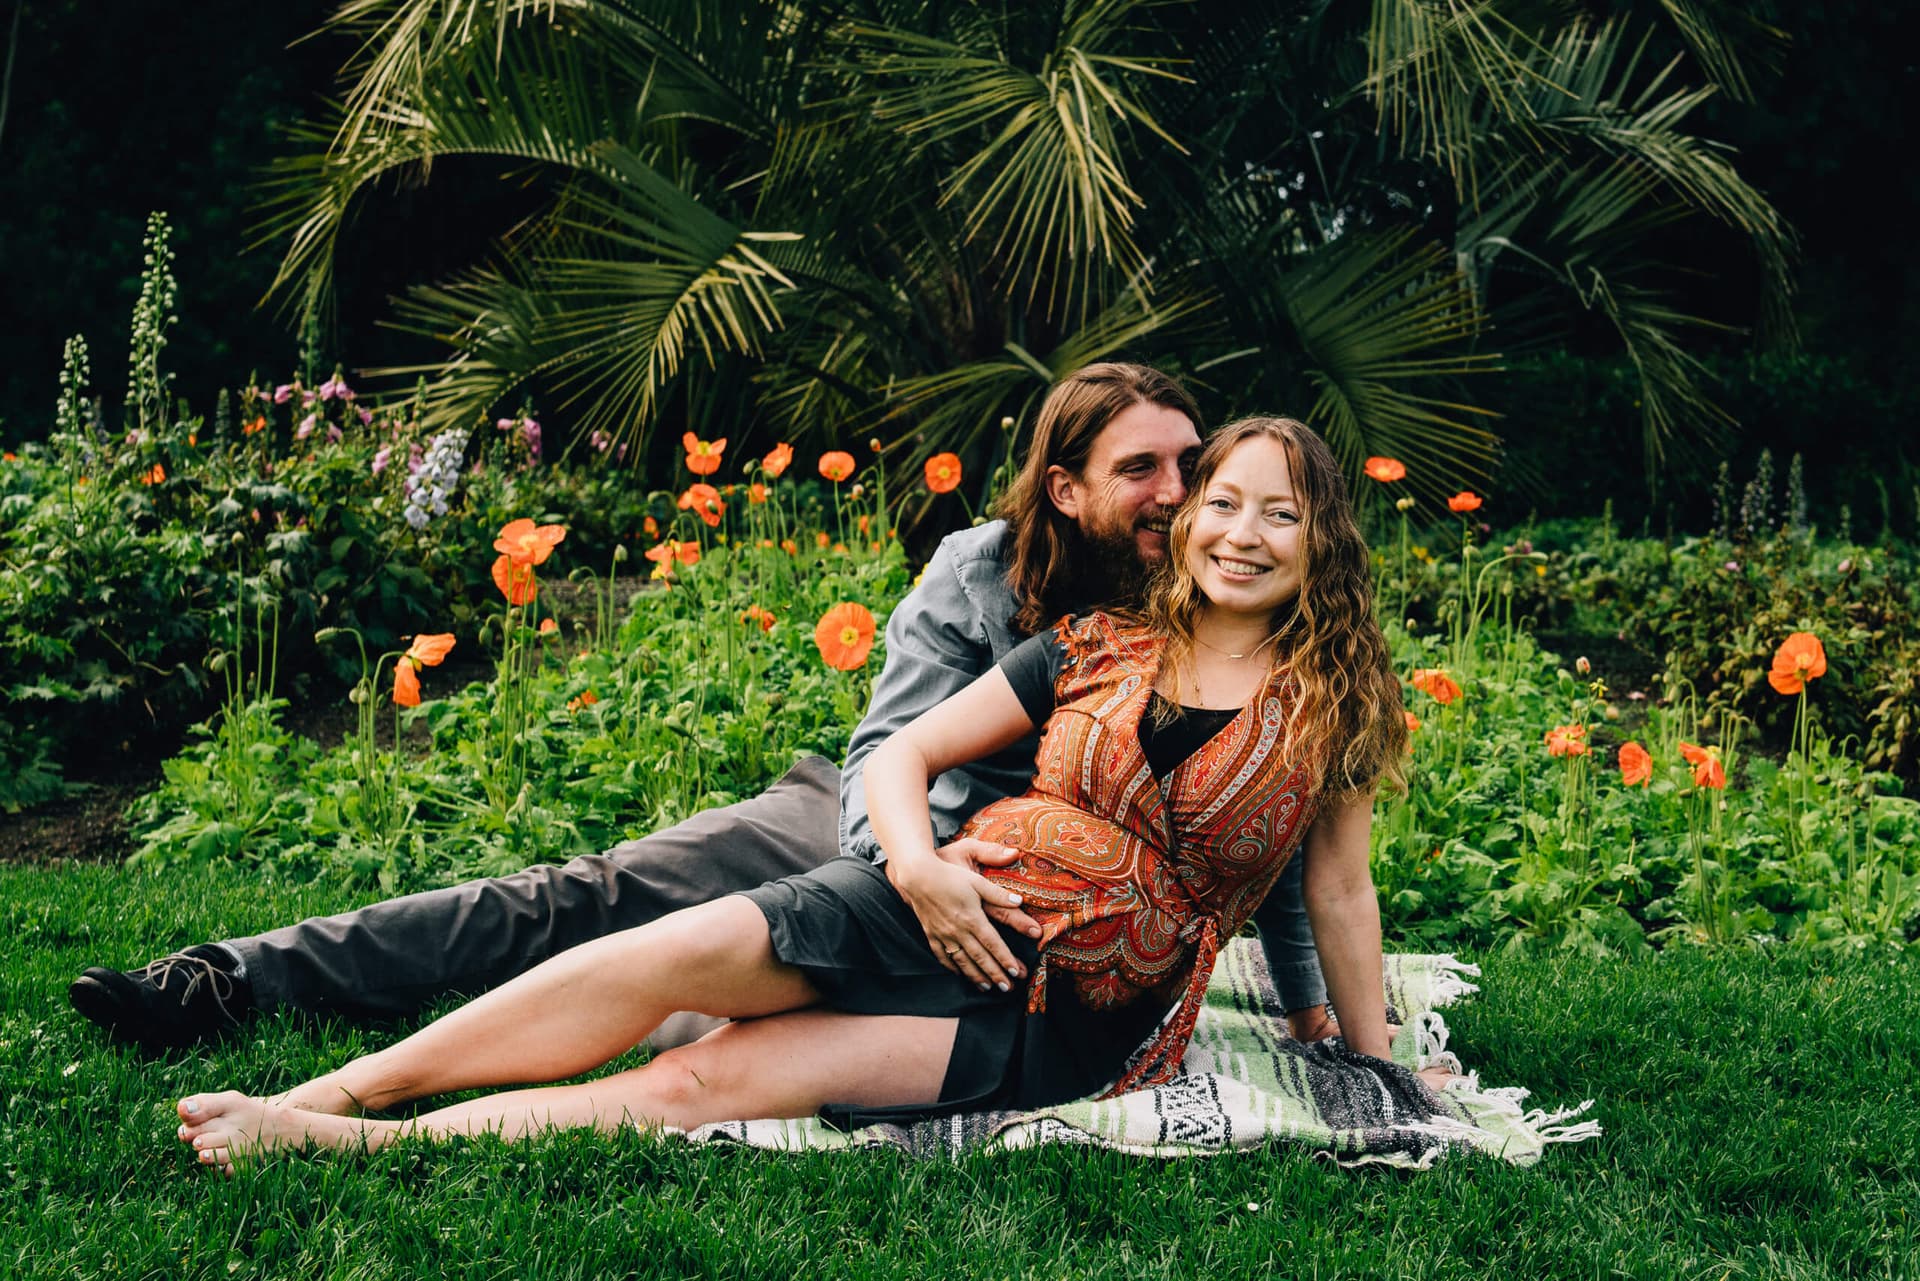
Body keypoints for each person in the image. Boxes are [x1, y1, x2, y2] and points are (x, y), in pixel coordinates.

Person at [173, 415, 1426, 1172]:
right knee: (660, 953)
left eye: (1282, 513)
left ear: (1323, 540)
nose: (1242, 533)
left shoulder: (1338, 708)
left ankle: (357, 1141)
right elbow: (901, 756)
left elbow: (1337, 889)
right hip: (935, 902)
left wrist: (1371, 1066)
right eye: (1223, 502)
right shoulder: (1098, 641)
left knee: (699, 1084)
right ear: (1192, 514)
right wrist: (921, 873)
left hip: (1074, 1008)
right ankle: (345, 1085)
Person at [71, 364, 1337, 1053]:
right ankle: (233, 979)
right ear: (1064, 491)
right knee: (587, 897)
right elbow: (883, 756)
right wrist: (898, 889)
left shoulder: (1199, 621)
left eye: (1195, 469)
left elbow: (1255, 831)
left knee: (667, 987)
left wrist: (1308, 1000)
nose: (1181, 496)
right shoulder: (977, 572)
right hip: (853, 832)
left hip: (1014, 895)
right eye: (1146, 472)